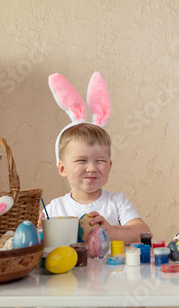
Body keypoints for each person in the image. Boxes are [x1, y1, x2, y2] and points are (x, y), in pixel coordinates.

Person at [41, 72, 150, 245]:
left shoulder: (116, 202)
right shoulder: (54, 209)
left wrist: (113, 231)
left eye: (99, 161)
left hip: (113, 272)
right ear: (62, 168)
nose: (92, 168)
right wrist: (39, 229)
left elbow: (143, 232)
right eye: (82, 160)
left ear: (110, 166)